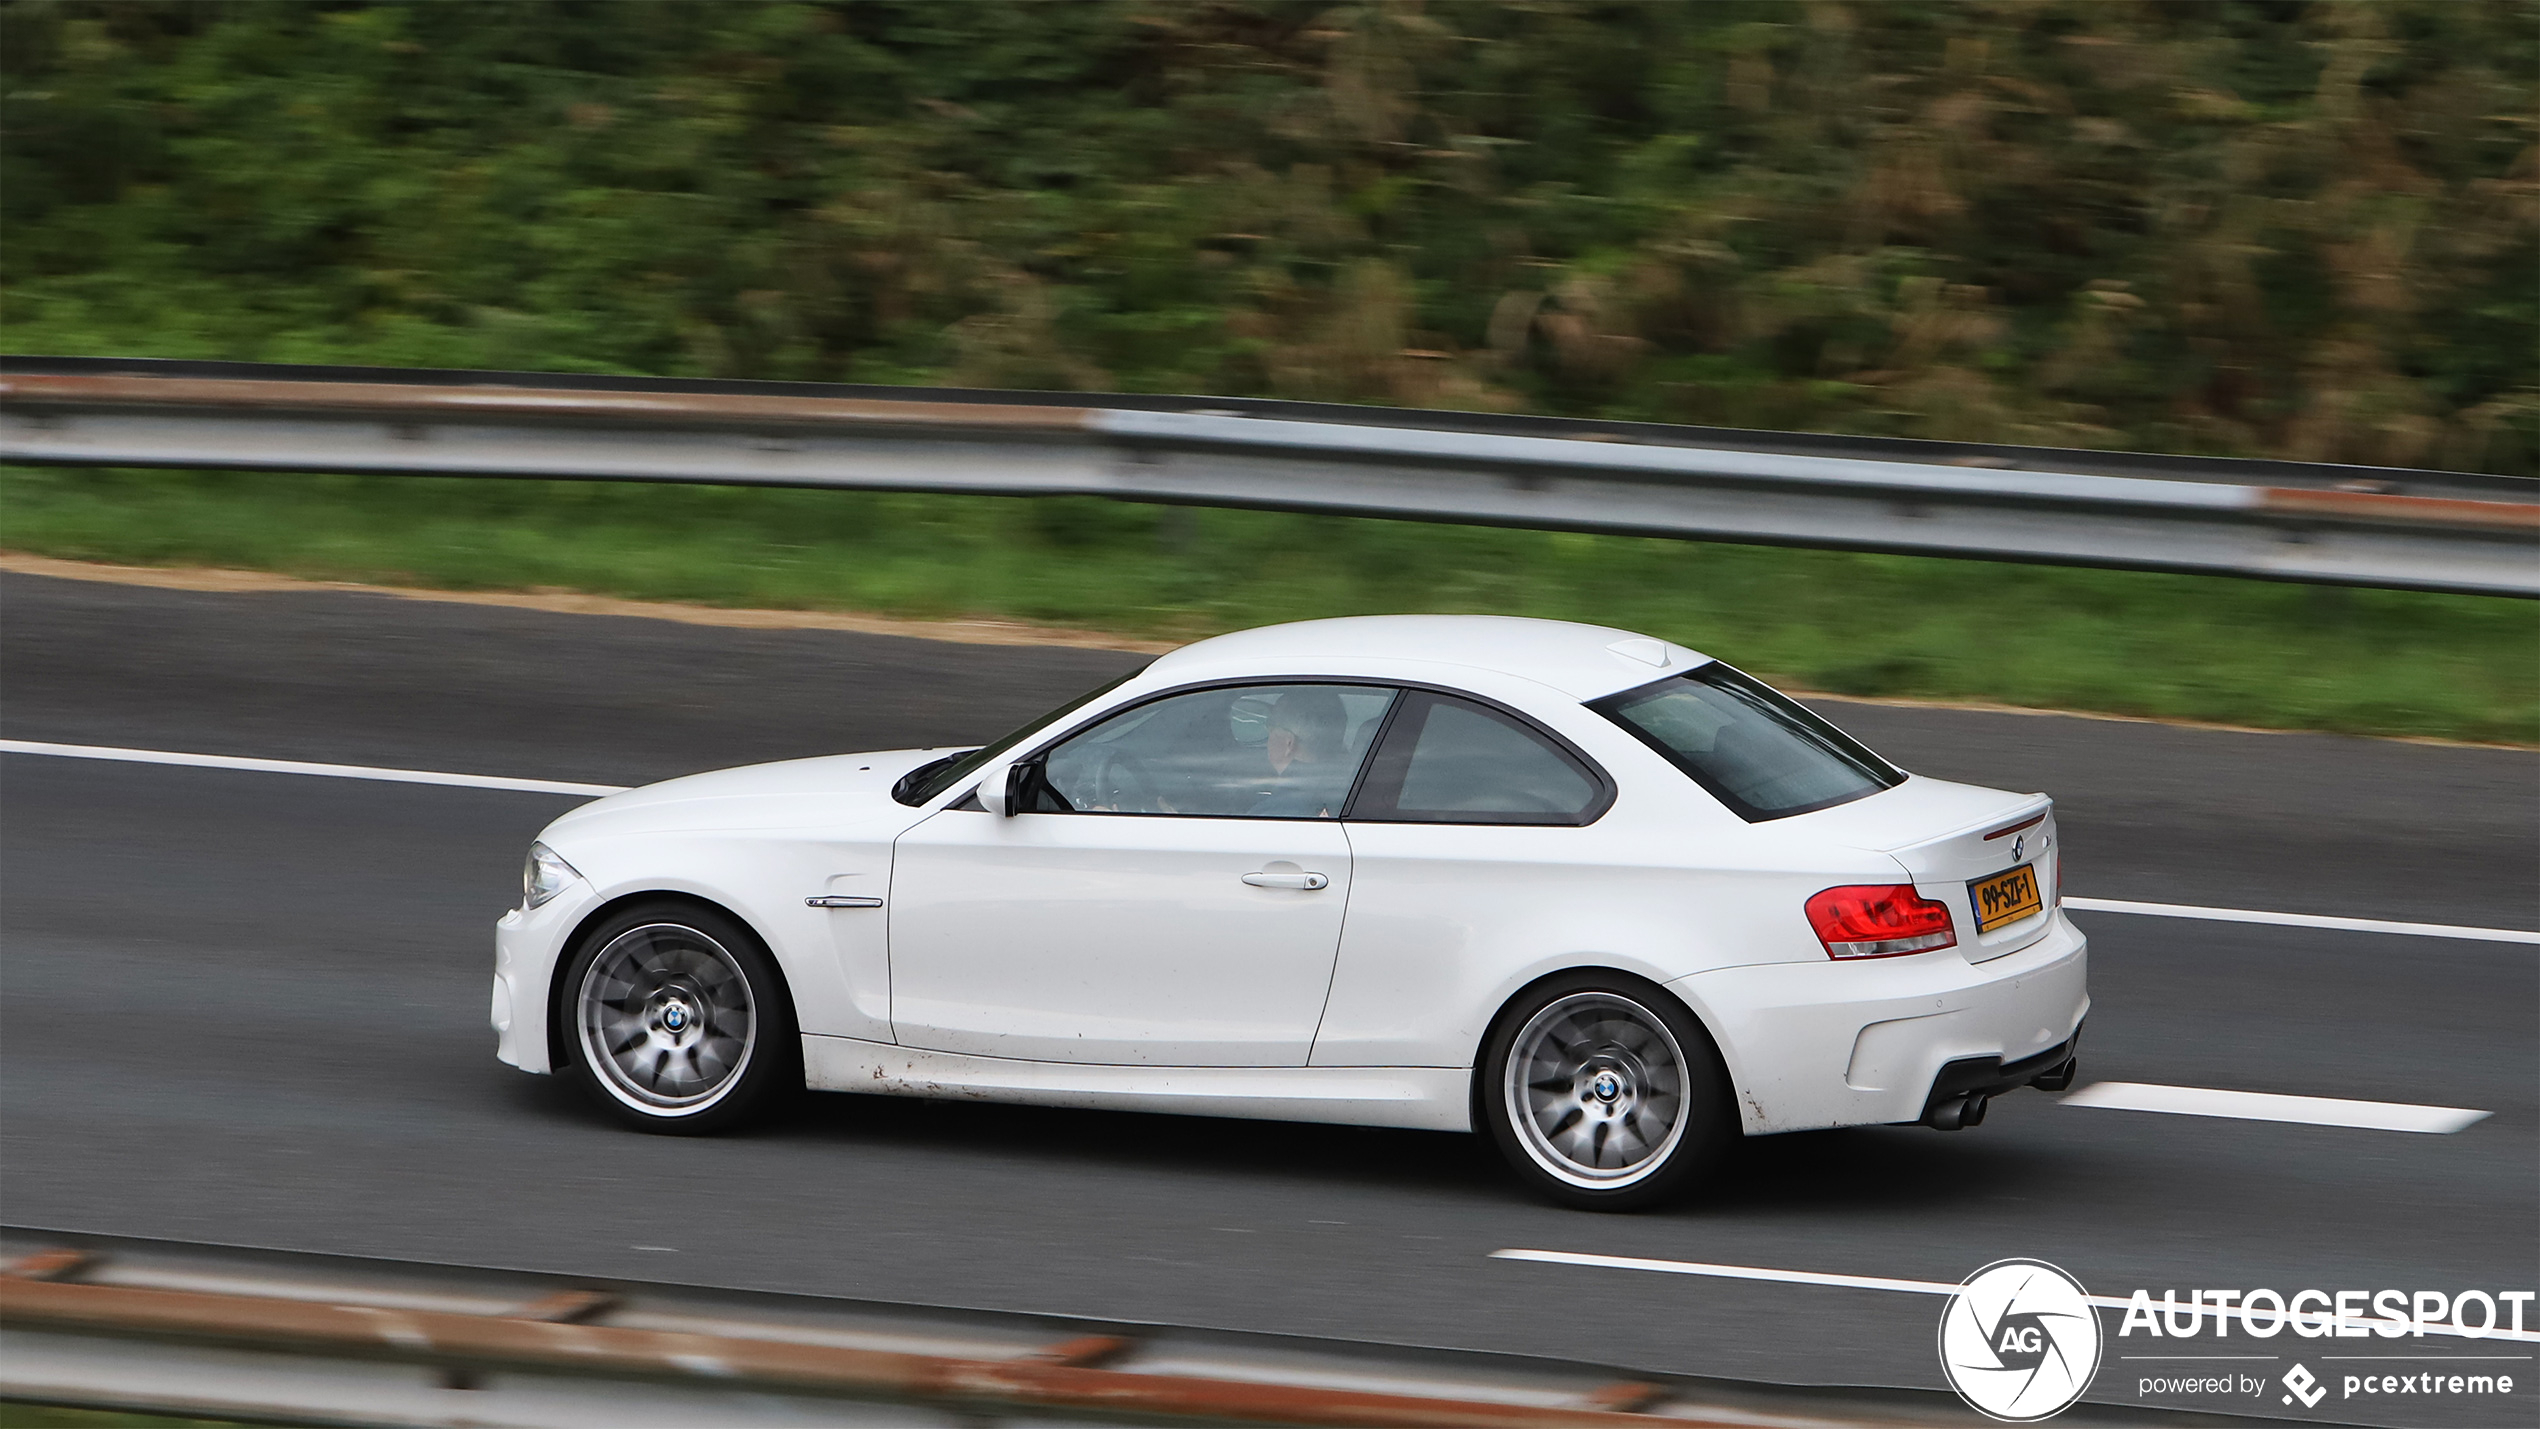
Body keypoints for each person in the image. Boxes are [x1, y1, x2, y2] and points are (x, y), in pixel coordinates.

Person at [1249, 688, 1353, 817]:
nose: (1267, 740)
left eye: (1270, 727)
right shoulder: (1348, 791)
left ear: (1289, 743)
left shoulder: (1274, 813)